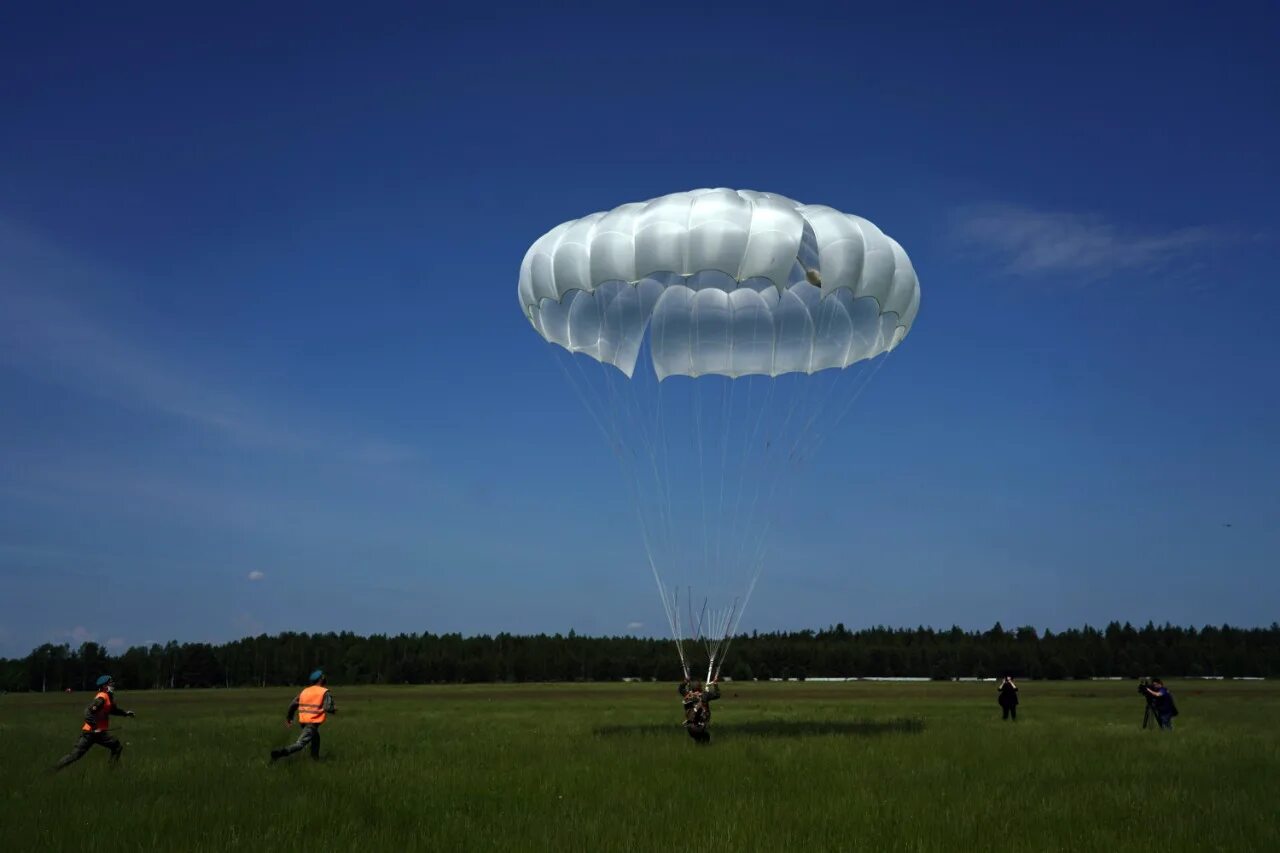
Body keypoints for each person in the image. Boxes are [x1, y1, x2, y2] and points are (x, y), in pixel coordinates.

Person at [55, 675, 135, 770]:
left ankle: (112, 770)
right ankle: (52, 771)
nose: (113, 684)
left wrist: (126, 713)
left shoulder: (108, 697)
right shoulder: (101, 698)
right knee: (75, 755)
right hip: (90, 733)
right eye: (111, 683)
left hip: (99, 733)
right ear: (105, 686)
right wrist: (95, 727)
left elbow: (113, 710)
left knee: (116, 746)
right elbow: (88, 712)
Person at [270, 670, 337, 762]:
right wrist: (334, 709)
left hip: (303, 722)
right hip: (312, 723)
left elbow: (292, 704)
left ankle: (315, 758)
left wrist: (289, 718)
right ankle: (280, 753)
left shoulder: (305, 691)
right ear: (321, 679)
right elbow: (328, 708)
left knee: (316, 738)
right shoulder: (324, 692)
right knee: (300, 744)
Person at [679, 678, 721, 744]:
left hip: (690, 727)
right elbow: (717, 694)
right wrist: (715, 685)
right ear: (700, 687)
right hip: (701, 726)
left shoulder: (688, 695)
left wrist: (685, 682)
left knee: (697, 740)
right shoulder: (704, 695)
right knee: (706, 740)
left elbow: (680, 689)